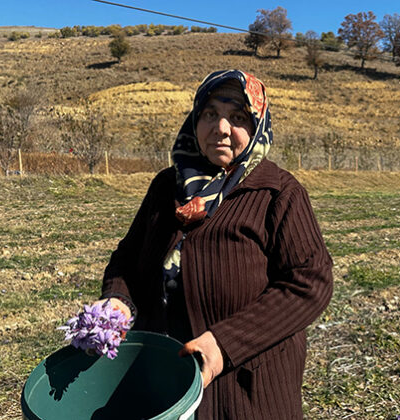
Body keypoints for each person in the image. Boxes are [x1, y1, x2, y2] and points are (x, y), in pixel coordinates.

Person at [97, 69, 333, 419]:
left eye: (237, 117)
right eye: (210, 114)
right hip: (165, 381)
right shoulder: (166, 187)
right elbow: (127, 258)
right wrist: (118, 300)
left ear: (256, 126)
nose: (221, 128)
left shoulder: (279, 193)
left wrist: (225, 343)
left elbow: (311, 281)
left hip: (247, 391)